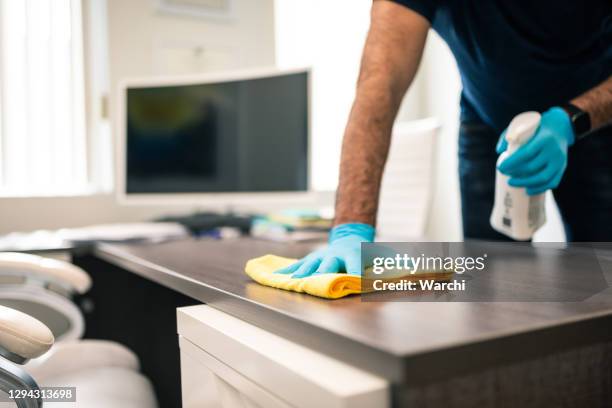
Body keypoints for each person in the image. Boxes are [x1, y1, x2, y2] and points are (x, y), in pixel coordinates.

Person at [277, 0, 612, 278]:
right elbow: (380, 84)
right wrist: (351, 228)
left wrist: (572, 120)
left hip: (594, 116)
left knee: (602, 273)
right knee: (492, 280)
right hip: (487, 117)